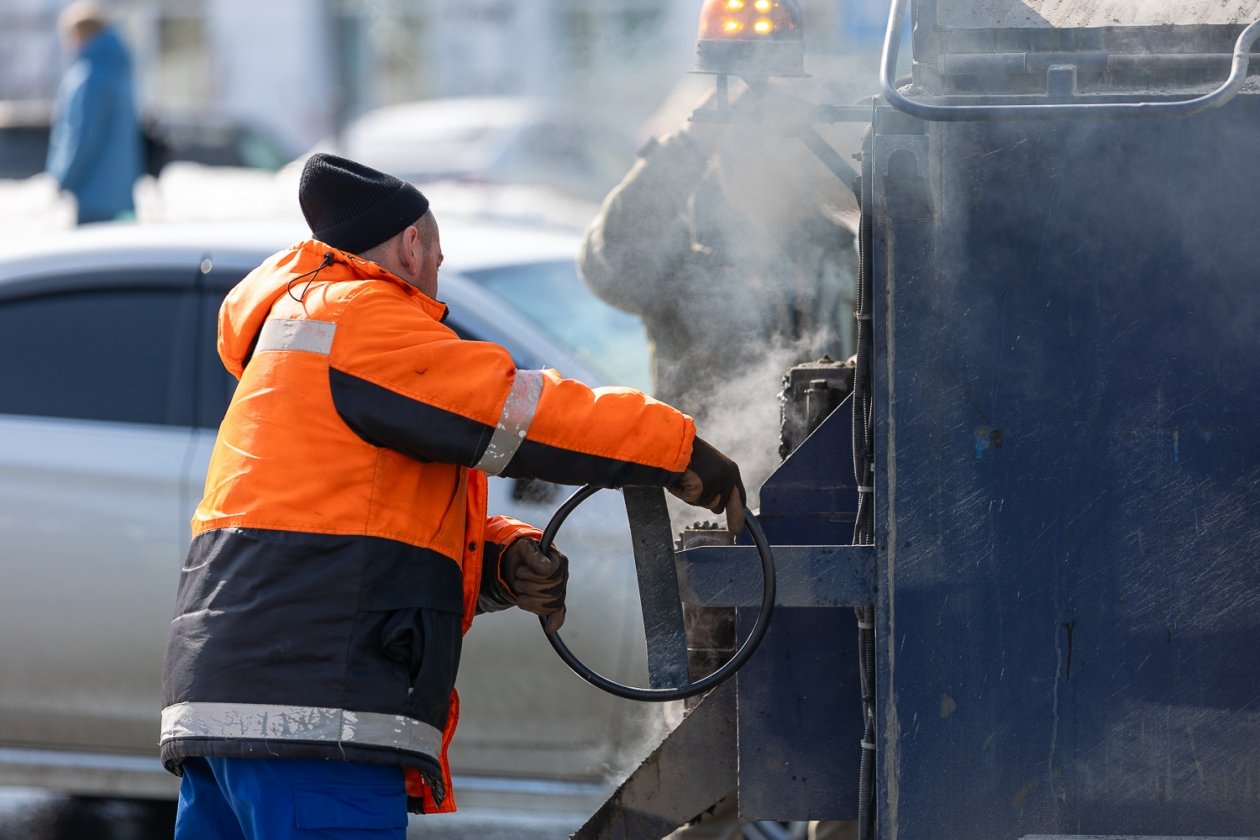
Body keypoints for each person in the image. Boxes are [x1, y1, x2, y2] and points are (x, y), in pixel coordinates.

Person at [159, 153, 746, 839]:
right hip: (313, 716)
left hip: (233, 706)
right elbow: (516, 411)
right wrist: (677, 450)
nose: (435, 276)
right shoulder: (357, 316)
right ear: (414, 244)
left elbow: (369, 508)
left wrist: (501, 558)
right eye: (437, 255)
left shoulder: (300, 328)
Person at [579, 87, 859, 432]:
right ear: (723, 156)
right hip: (709, 475)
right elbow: (611, 266)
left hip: (830, 474)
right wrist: (691, 144)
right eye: (757, 143)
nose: (784, 162)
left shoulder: (845, 251)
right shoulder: (689, 250)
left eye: (791, 140)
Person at [45, 1, 143, 225]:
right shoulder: (117, 68)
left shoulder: (90, 76)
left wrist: (62, 178)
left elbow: (81, 135)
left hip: (93, 193)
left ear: (81, 33)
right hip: (120, 190)